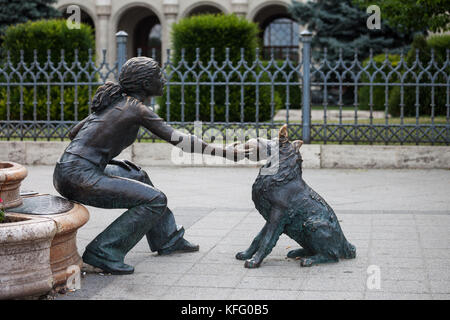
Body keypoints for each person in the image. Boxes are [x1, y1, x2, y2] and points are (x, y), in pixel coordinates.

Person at [53, 57, 250, 275]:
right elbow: (180, 140)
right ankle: (103, 252)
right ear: (146, 84)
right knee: (155, 200)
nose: (163, 80)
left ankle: (167, 238)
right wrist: (226, 152)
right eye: (159, 76)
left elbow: (73, 133)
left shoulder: (117, 102)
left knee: (138, 175)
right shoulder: (135, 108)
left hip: (66, 171)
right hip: (79, 177)